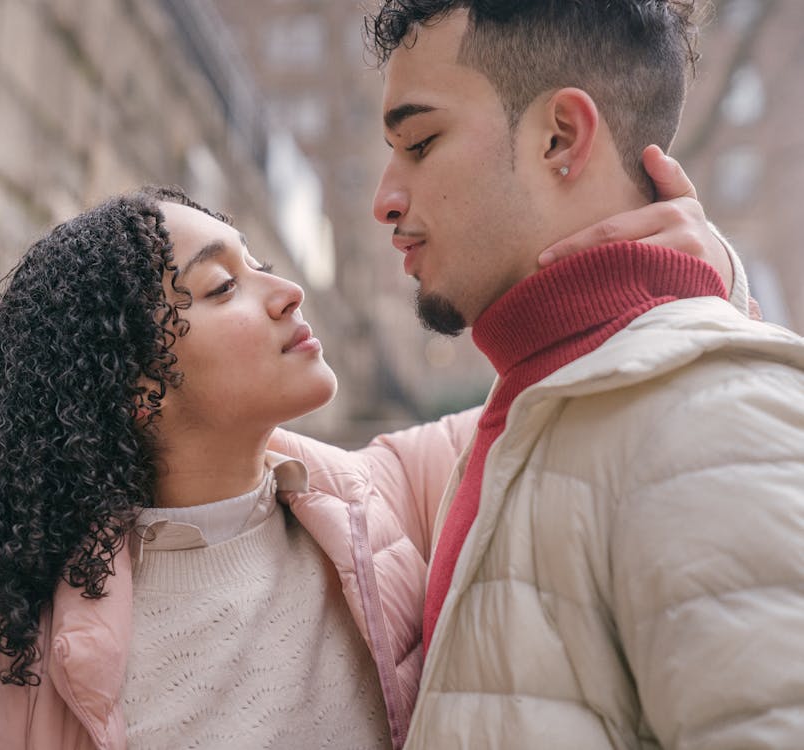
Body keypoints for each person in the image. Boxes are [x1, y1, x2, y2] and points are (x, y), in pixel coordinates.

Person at [0, 174, 733, 749]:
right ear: (133, 388)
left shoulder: (392, 496)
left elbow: (616, 396)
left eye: (263, 266)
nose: (286, 292)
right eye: (220, 287)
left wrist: (701, 273)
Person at [304, 1, 804, 747]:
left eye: (420, 141)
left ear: (559, 138)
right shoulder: (536, 410)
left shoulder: (708, 413)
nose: (385, 199)